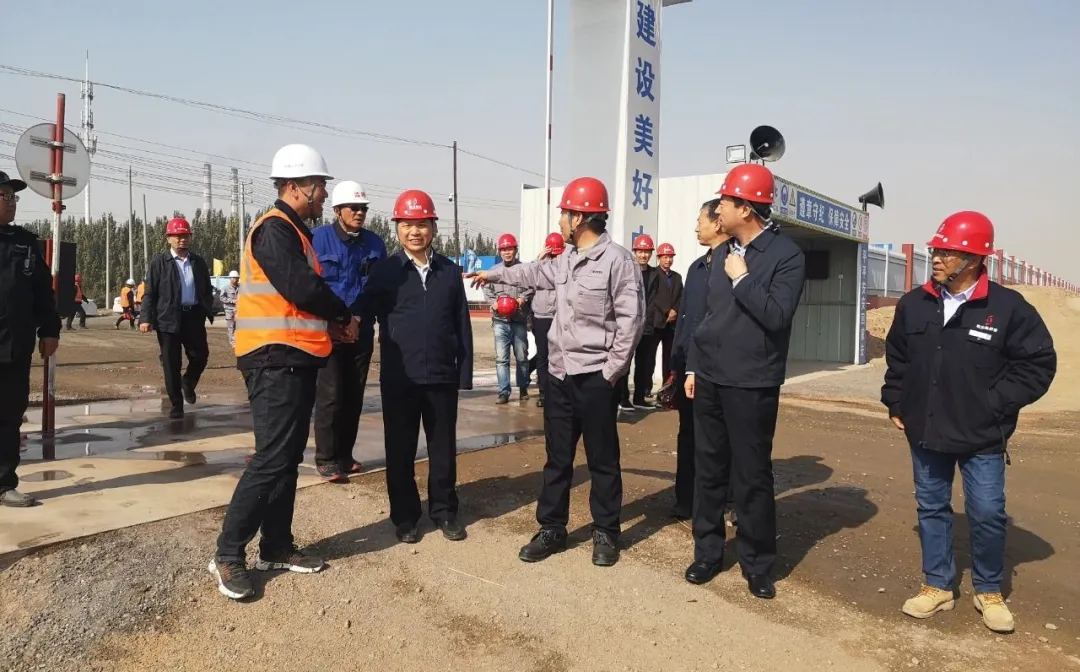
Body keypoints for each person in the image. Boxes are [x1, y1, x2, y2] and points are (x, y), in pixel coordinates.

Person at [881, 211, 1055, 633]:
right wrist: (896, 402)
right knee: (932, 507)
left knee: (988, 512)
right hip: (926, 429)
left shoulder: (1008, 308)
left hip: (982, 435)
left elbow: (1037, 364)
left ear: (975, 259)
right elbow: (898, 359)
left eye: (948, 252)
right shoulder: (914, 304)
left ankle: (989, 589)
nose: (937, 258)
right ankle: (937, 585)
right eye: (936, 250)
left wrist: (993, 403)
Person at [467, 176, 645, 567]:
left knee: (602, 459)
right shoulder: (563, 261)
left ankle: (606, 531)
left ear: (579, 217)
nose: (561, 220)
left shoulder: (618, 262)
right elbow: (529, 273)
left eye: (565, 213)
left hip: (596, 378)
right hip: (560, 377)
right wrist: (491, 275)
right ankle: (552, 528)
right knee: (557, 457)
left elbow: (631, 322)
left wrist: (610, 374)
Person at [211, 144, 358, 601]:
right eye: (320, 186)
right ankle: (227, 554)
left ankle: (275, 546)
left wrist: (331, 322)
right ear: (296, 186)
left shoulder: (295, 231)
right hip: (273, 358)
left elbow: (301, 297)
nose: (324, 195)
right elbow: (301, 287)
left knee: (287, 458)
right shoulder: (274, 229)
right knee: (272, 458)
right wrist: (341, 313)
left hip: (293, 357)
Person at [683, 163, 805, 599]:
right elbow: (706, 318)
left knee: (752, 475)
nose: (719, 210)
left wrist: (743, 278)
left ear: (747, 209)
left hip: (752, 382)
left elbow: (777, 316)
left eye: (726, 202)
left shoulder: (786, 255)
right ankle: (707, 552)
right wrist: (693, 367)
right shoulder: (722, 254)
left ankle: (757, 564)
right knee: (708, 469)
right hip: (711, 377)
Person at [361, 189, 473, 544]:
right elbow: (361, 314)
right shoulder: (386, 272)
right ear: (397, 228)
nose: (415, 231)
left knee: (443, 449)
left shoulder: (450, 272)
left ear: (433, 228)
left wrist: (463, 374)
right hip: (400, 378)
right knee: (400, 449)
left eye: (422, 224)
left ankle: (444, 511)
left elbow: (462, 324)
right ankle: (405, 516)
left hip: (441, 376)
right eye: (407, 224)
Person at [311, 180, 387, 483]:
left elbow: (377, 288)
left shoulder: (375, 245)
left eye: (363, 208)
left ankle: (344, 454)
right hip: (327, 331)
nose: (359, 213)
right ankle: (326, 458)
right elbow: (312, 286)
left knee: (354, 396)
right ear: (337, 210)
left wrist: (356, 319)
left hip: (360, 331)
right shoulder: (318, 240)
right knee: (330, 396)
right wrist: (335, 320)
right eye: (353, 208)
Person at [0, 170, 60, 508]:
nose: (12, 203)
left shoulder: (24, 242)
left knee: (10, 415)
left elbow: (42, 292)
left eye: (14, 197)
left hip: (16, 345)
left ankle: (4, 483)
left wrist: (50, 330)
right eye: (5, 196)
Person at [668, 199, 727, 520]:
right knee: (688, 432)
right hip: (688, 364)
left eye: (700, 221)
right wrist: (676, 363)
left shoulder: (733, 264)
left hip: (717, 367)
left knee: (719, 437)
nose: (696, 227)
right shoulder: (696, 267)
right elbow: (687, 319)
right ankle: (685, 499)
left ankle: (722, 500)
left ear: (718, 223)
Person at [139, 219, 214, 419]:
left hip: (193, 317)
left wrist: (207, 308)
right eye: (178, 236)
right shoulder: (159, 262)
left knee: (201, 356)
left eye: (186, 236)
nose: (183, 239)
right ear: (169, 238)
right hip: (168, 318)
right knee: (171, 364)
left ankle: (188, 382)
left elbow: (206, 289)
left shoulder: (198, 262)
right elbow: (150, 293)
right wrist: (145, 318)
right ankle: (176, 405)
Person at [484, 233, 533, 405]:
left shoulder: (524, 270)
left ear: (515, 250)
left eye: (510, 249)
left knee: (521, 356)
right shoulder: (493, 271)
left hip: (518, 319)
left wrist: (523, 298)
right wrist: (493, 302)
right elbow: (487, 290)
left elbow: (531, 287)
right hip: (500, 321)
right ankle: (504, 391)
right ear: (499, 252)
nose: (507, 252)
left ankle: (523, 387)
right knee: (501, 358)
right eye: (503, 250)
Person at [617, 235, 659, 411]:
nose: (643, 255)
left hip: (646, 326)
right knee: (625, 363)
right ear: (634, 252)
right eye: (640, 251)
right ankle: (623, 399)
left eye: (647, 252)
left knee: (644, 363)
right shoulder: (627, 270)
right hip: (628, 324)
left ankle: (639, 398)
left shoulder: (655, 274)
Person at [530, 231, 565, 408]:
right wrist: (539, 258)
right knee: (543, 357)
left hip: (558, 317)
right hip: (540, 318)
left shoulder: (565, 265)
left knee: (558, 356)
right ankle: (544, 392)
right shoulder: (538, 266)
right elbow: (528, 278)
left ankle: (557, 391)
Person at [652, 243, 683, 382]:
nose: (668, 260)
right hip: (657, 322)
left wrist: (675, 310)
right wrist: (667, 310)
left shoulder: (677, 277)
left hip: (672, 324)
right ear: (659, 258)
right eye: (665, 257)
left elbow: (681, 296)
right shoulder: (653, 274)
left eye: (670, 257)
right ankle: (645, 388)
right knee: (649, 358)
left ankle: (667, 387)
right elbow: (654, 296)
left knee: (669, 358)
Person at [221, 270, 240, 347]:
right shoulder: (226, 288)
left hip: (238, 310)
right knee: (231, 327)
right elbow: (222, 298)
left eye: (236, 278)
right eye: (233, 278)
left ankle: (237, 340)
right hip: (229, 310)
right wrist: (231, 301)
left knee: (237, 326)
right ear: (230, 279)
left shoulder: (240, 287)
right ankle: (232, 342)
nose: (235, 279)